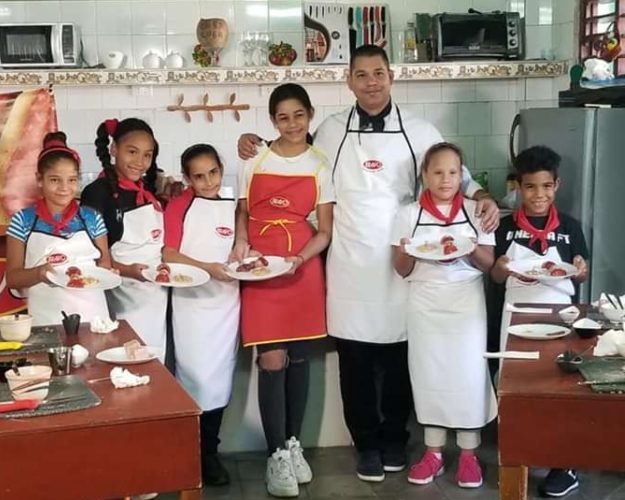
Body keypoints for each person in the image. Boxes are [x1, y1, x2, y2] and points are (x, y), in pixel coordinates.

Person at [237, 45, 499, 482]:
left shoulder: (420, 129)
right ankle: (366, 447)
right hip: (350, 262)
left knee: (400, 358)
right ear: (349, 81)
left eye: (378, 73)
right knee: (355, 362)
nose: (371, 82)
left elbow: (455, 174)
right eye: (362, 75)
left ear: (391, 77)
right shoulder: (330, 130)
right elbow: (289, 154)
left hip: (404, 259)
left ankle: (396, 438)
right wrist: (253, 144)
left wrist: (482, 196)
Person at [233, 83, 334, 498]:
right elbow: (241, 210)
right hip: (260, 267)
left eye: (298, 115)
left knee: (298, 358)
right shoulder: (252, 156)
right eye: (282, 117)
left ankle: (293, 444)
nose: (291, 124)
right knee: (271, 359)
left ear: (310, 114)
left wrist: (300, 258)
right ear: (272, 119)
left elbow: (325, 231)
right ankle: (275, 455)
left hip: (301, 267)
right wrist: (241, 244)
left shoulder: (320, 163)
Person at [391, 142, 497, 488]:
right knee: (429, 375)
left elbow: (489, 263)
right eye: (437, 172)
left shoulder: (476, 210)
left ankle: (469, 455)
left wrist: (469, 250)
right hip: (424, 303)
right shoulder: (407, 214)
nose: (445, 179)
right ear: (424, 175)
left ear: (461, 174)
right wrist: (408, 252)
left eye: (452, 172)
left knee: (467, 375)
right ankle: (433, 452)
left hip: (466, 302)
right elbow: (401, 269)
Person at [491, 145, 588, 498]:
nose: (539, 195)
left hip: (559, 318)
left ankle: (564, 465)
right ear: (518, 186)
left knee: (557, 391)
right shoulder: (504, 229)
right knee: (516, 391)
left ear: (557, 185)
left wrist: (580, 270)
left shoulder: (571, 228)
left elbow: (579, 276)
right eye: (530, 187)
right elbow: (497, 278)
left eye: (546, 186)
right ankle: (518, 460)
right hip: (515, 317)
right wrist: (499, 269)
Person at [162, 144, 239, 487]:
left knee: (220, 380)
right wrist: (207, 267)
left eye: (213, 173)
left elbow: (240, 243)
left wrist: (243, 250)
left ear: (221, 169)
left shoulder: (233, 205)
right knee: (195, 380)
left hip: (227, 303)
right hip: (192, 306)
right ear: (186, 178)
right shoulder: (179, 206)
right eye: (199, 176)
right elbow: (169, 253)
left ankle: (210, 451)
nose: (208, 182)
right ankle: (192, 454)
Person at [80, 118, 169, 359]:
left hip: (155, 296)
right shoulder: (97, 193)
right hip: (121, 300)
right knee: (127, 363)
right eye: (132, 152)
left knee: (154, 365)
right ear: (113, 149)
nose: (140, 162)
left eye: (147, 155)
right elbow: (90, 258)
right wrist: (129, 271)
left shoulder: (147, 192)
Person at [6, 132, 111, 326]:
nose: (64, 187)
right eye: (55, 180)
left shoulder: (92, 218)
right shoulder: (23, 221)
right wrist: (39, 273)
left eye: (71, 180)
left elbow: (104, 263)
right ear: (39, 180)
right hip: (46, 318)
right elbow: (12, 278)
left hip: (94, 317)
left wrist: (110, 274)